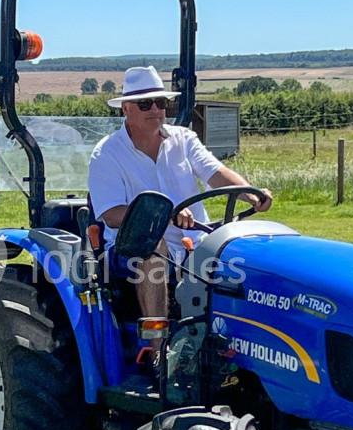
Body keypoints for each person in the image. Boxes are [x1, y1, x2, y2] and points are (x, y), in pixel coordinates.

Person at [87, 66, 272, 358]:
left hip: (195, 239)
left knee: (250, 252)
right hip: (131, 245)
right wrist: (164, 216)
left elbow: (216, 173)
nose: (156, 110)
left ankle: (246, 347)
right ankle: (159, 352)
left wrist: (250, 192)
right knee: (153, 250)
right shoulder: (107, 154)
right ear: (126, 109)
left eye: (162, 102)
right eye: (146, 104)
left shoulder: (184, 139)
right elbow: (110, 213)